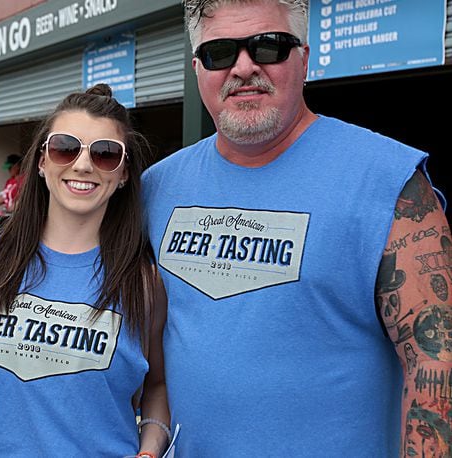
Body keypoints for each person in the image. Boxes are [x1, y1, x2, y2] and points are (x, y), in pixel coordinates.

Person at [142, 0, 451, 456]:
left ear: (304, 58)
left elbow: (435, 359)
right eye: (220, 52)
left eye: (269, 47)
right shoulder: (157, 187)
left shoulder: (390, 183)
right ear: (197, 68)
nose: (244, 68)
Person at [0, 84, 170, 456]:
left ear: (123, 174)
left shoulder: (142, 281)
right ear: (42, 162)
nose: (83, 164)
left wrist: (149, 450)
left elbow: (156, 386)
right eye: (65, 147)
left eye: (106, 154)